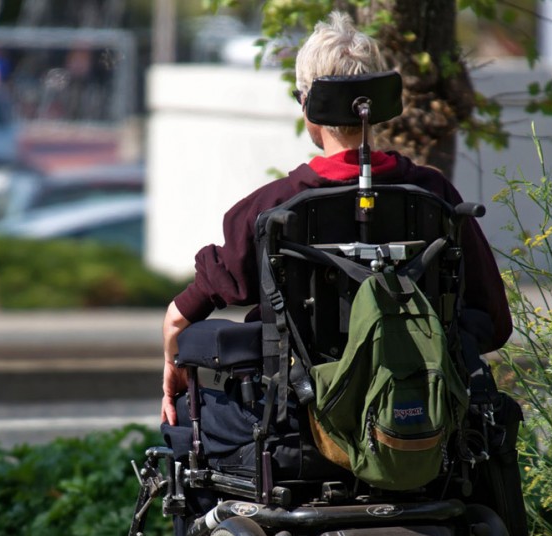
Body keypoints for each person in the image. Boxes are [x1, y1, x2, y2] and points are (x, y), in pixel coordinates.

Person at [160, 12, 512, 429]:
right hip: (423, 421)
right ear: (380, 102)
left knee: (186, 418)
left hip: (298, 424)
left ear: (308, 102)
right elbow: (495, 322)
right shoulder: (434, 198)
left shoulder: (271, 207)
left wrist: (172, 369)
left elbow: (178, 320)